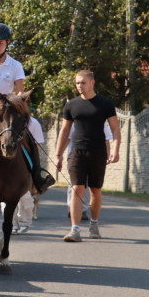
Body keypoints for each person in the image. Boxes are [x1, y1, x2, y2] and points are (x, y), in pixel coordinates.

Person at [0, 22, 54, 195]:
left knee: (32, 127)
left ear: (7, 43)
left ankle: (37, 174)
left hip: (7, 107)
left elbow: (19, 91)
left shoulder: (15, 65)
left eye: (0, 43)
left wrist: (13, 104)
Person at [54, 70, 121, 242]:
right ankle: (75, 229)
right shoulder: (71, 105)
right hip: (77, 151)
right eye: (77, 83)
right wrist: (58, 154)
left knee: (95, 190)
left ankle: (94, 223)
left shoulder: (105, 104)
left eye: (83, 83)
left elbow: (115, 129)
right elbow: (65, 130)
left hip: (98, 152)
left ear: (92, 83)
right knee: (77, 188)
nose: (79, 86)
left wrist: (115, 149)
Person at [64, 121, 113, 223]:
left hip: (94, 158)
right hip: (75, 156)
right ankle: (71, 208)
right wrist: (59, 154)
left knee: (88, 186)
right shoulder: (74, 121)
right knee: (75, 185)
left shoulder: (101, 121)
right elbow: (66, 137)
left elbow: (106, 139)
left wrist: (107, 155)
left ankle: (84, 209)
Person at [13, 114, 46, 234]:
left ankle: (25, 222)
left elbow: (36, 148)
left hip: (24, 163)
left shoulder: (33, 123)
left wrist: (34, 166)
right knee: (7, 197)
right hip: (7, 163)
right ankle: (11, 223)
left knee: (25, 195)